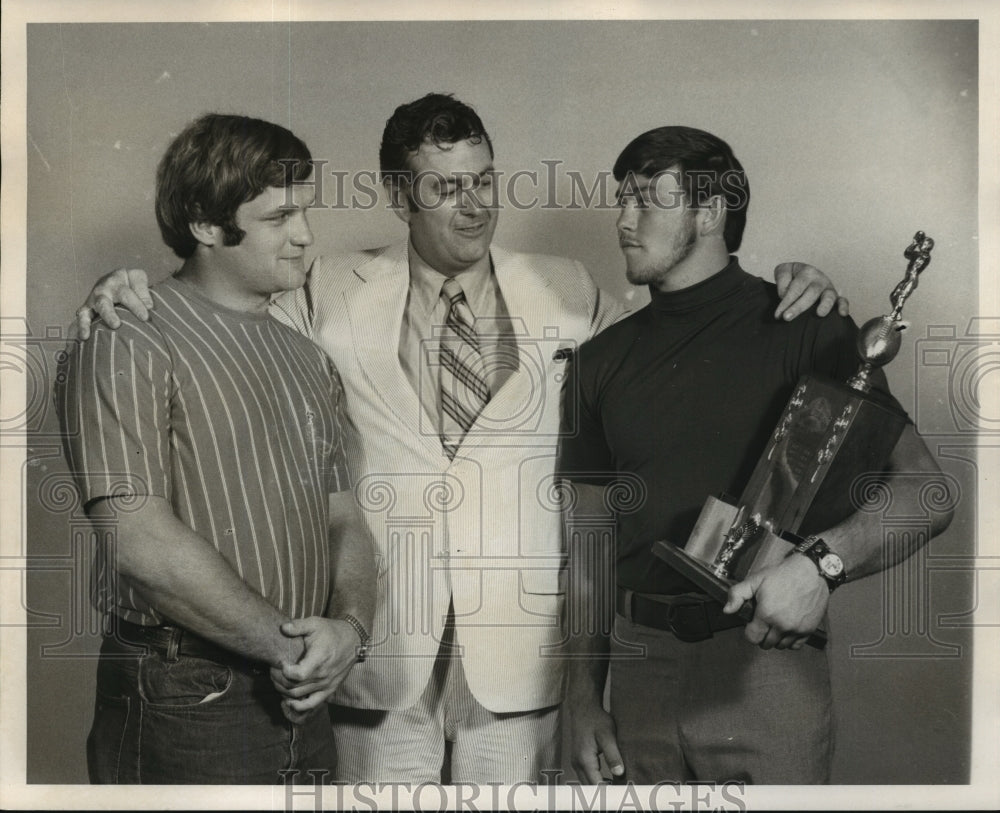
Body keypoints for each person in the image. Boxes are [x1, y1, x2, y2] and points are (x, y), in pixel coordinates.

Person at [74, 94, 846, 784]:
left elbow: (678, 334)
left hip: (520, 661)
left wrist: (784, 286)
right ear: (398, 194)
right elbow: (215, 304)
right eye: (446, 187)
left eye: (484, 180)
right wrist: (122, 285)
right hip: (375, 657)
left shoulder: (570, 287)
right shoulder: (321, 286)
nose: (474, 206)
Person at [557, 125, 953, 784]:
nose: (623, 220)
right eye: (620, 199)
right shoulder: (597, 363)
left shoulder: (809, 326)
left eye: (646, 200)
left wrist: (819, 566)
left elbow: (927, 492)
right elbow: (591, 544)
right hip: (639, 678)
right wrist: (578, 700)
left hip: (761, 675)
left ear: (708, 212)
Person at [57, 113, 376, 784]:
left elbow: (344, 517)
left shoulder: (307, 359)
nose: (306, 236)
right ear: (205, 224)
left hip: (303, 695)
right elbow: (140, 543)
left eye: (305, 212)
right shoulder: (128, 333)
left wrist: (348, 629)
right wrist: (295, 651)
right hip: (186, 695)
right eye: (279, 217)